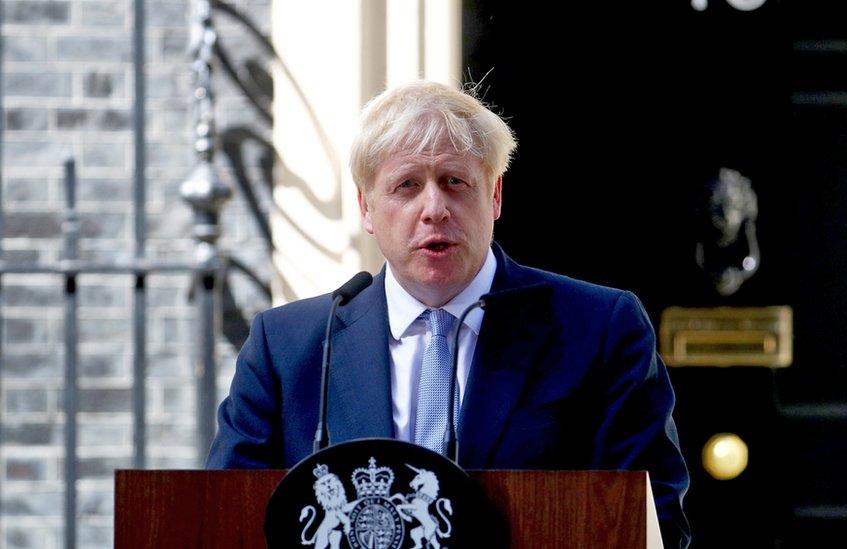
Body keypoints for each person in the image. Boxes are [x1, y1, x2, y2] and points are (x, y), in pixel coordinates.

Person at [207, 80, 691, 547]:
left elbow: (652, 523)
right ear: (367, 209)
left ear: (495, 196)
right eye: (406, 186)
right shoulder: (290, 347)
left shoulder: (600, 328)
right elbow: (223, 522)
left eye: (455, 182)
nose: (434, 208)